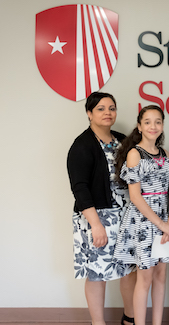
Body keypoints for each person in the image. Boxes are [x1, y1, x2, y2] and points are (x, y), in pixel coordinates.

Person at [67, 92, 137, 325]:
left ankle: (130, 318)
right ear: (89, 113)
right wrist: (96, 225)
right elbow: (80, 188)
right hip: (97, 218)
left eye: (112, 108)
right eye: (101, 108)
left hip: (126, 216)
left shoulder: (123, 141)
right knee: (97, 273)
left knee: (130, 269)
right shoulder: (82, 145)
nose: (108, 112)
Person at [113, 105, 169, 325]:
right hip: (145, 221)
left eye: (158, 121)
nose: (153, 126)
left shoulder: (166, 154)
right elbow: (135, 197)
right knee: (145, 278)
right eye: (148, 122)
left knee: (161, 276)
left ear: (162, 125)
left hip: (166, 218)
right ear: (139, 126)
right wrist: (161, 225)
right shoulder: (135, 154)